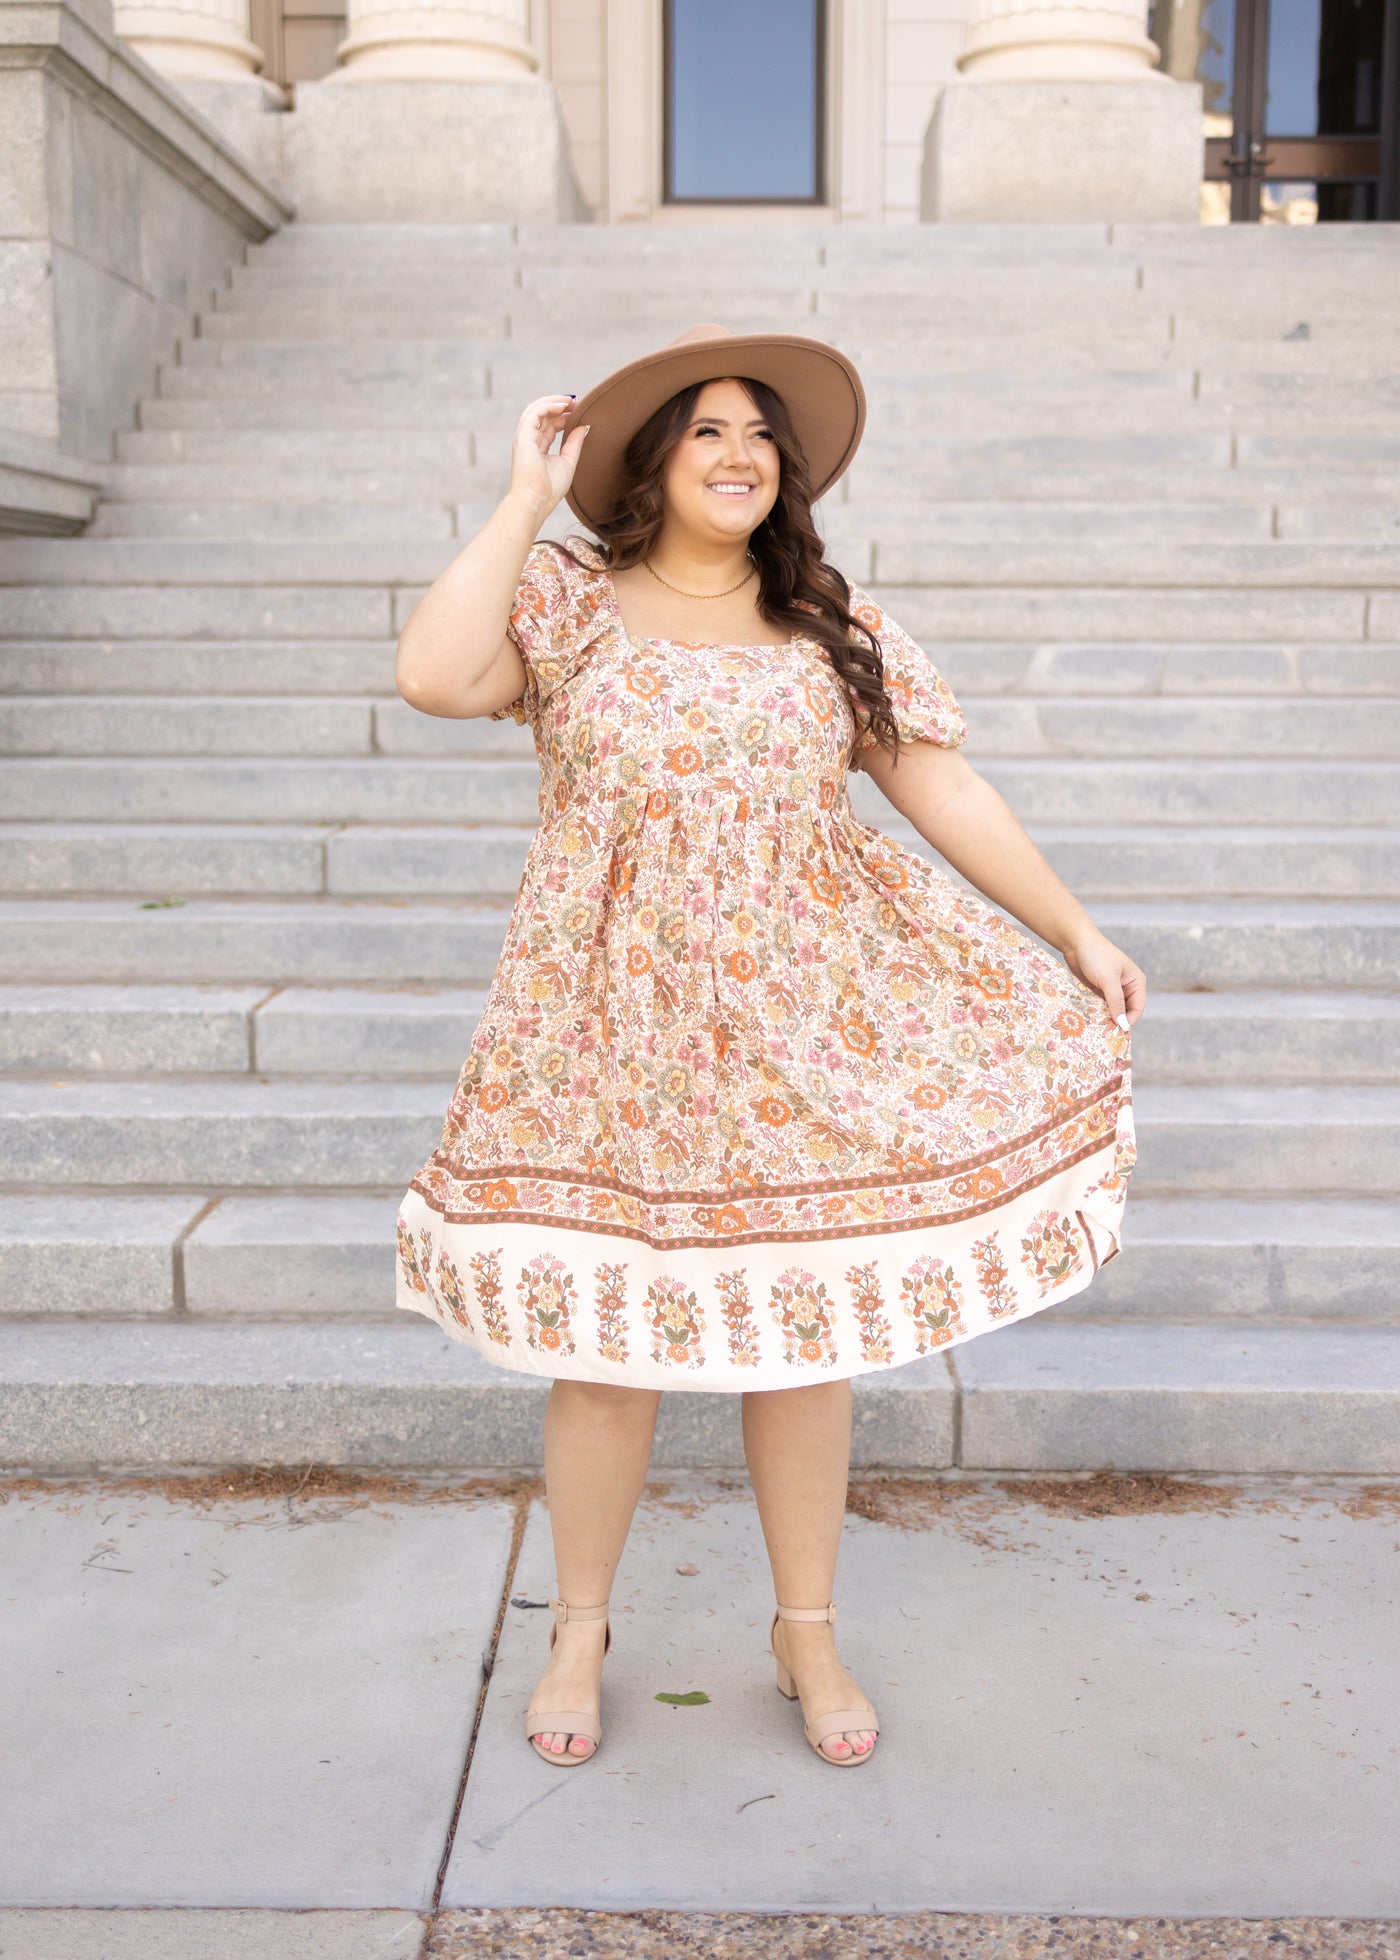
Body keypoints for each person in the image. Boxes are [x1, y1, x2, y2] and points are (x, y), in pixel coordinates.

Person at [393, 324, 1144, 1773]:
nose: (738, 457)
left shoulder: (828, 628)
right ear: (654, 463)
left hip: (805, 1029)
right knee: (601, 1351)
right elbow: (434, 674)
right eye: (706, 433)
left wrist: (1074, 930)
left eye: (759, 438)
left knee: (811, 1341)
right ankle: (579, 1630)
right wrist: (517, 503)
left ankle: (806, 1629)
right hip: (602, 1035)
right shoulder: (567, 607)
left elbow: (945, 786)